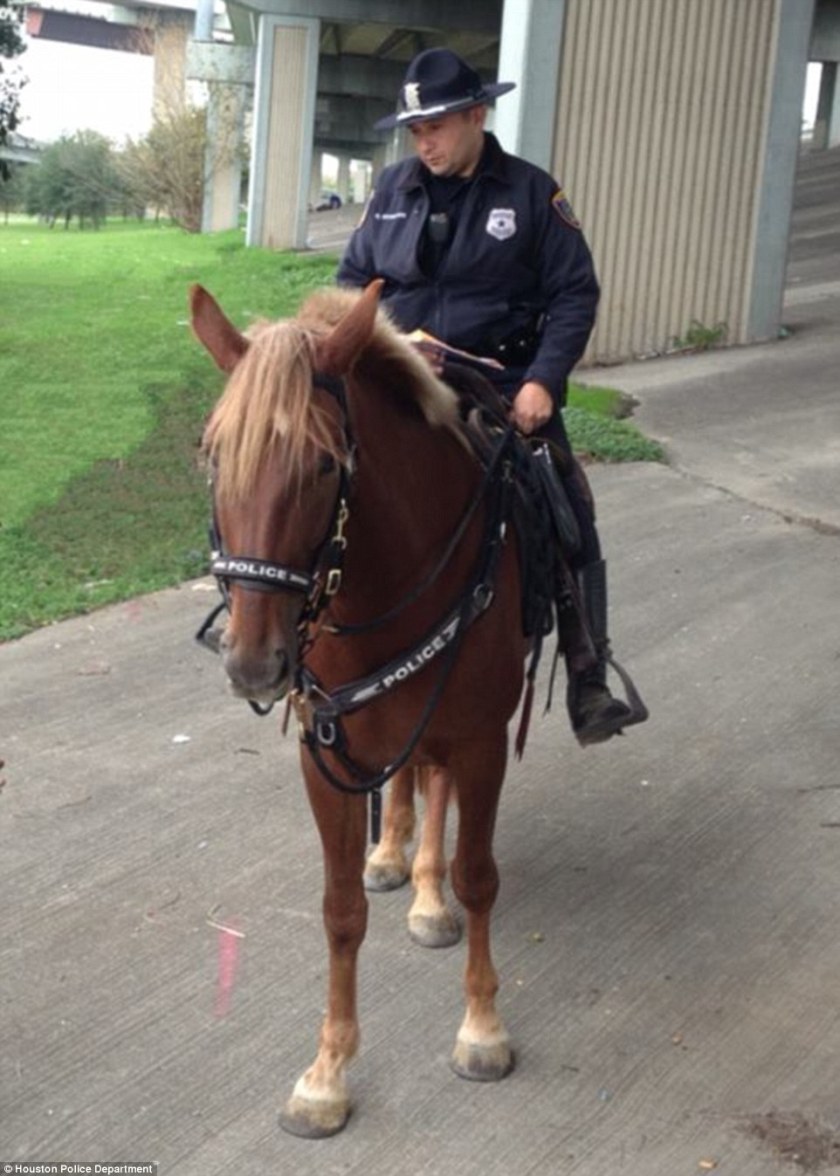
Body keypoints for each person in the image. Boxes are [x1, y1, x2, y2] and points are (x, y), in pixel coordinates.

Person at [337, 47, 647, 746]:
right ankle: (305, 648)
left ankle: (587, 668)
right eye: (416, 131)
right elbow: (350, 284)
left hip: (503, 388)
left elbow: (575, 293)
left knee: (566, 501)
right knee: (318, 481)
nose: (426, 142)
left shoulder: (533, 194)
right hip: (401, 386)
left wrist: (543, 380)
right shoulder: (390, 192)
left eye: (438, 126)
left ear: (478, 114)